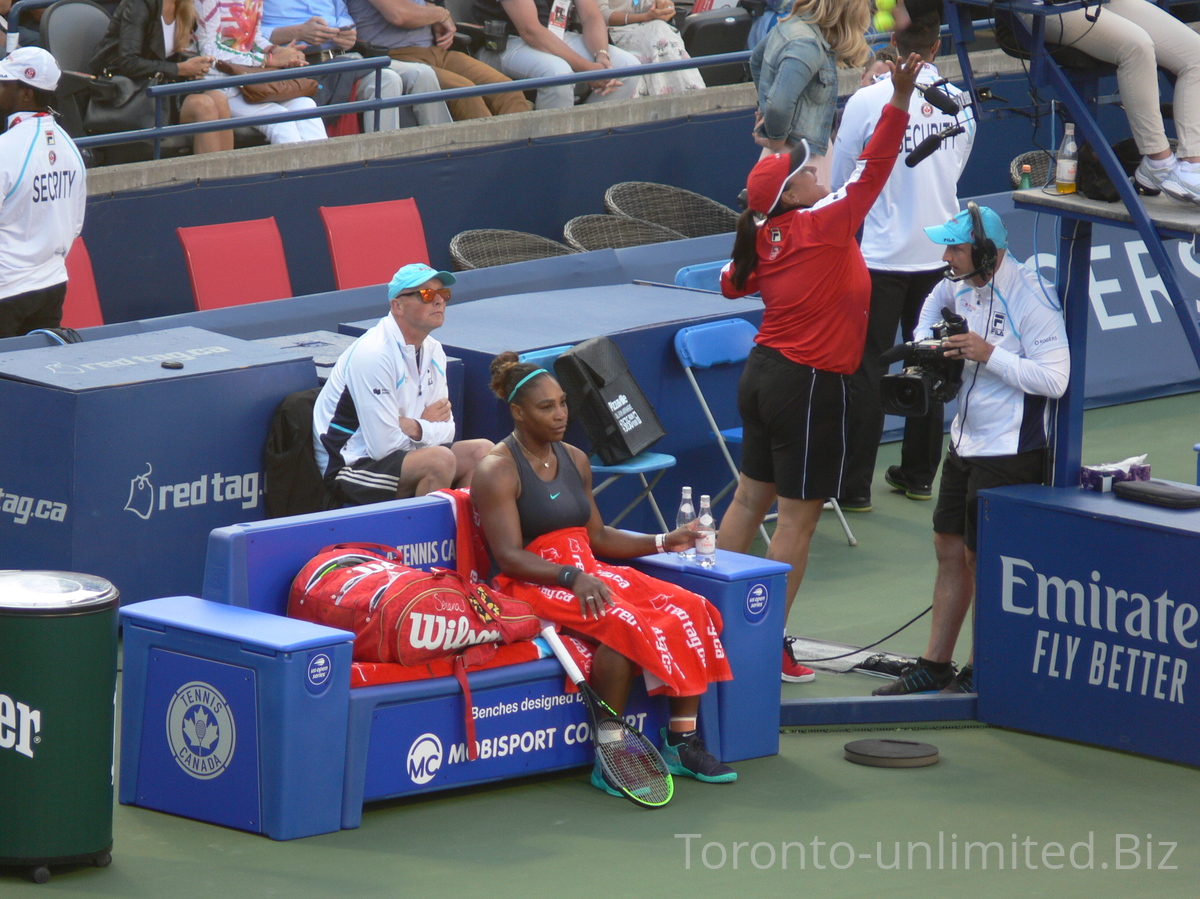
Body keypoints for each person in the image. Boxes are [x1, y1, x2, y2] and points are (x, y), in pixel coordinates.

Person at [716, 53, 922, 684]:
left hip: (763, 376)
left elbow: (730, 286)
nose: (814, 171)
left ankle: (715, 622)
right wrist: (900, 99)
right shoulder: (825, 225)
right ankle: (767, 642)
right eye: (804, 170)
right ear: (793, 193)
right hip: (806, 385)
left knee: (752, 499)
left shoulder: (763, 237)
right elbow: (877, 167)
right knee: (797, 521)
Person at [470, 352, 737, 793]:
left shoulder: (575, 457)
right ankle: (611, 753)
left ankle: (681, 742)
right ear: (517, 412)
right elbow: (510, 556)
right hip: (535, 581)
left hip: (588, 568)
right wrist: (571, 578)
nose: (559, 415)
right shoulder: (496, 470)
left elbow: (595, 535)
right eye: (546, 407)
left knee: (690, 607)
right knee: (621, 621)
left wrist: (662, 540)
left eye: (562, 403)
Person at [872, 204, 1070, 696]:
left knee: (987, 560)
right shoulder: (951, 284)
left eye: (956, 248)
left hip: (1013, 449)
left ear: (987, 252)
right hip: (964, 439)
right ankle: (935, 664)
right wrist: (932, 347)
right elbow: (921, 327)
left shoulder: (1032, 297)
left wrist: (989, 354)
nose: (946, 256)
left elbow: (1056, 380)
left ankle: (983, 668)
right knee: (948, 548)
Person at [830, 12, 975, 512]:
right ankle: (918, 476)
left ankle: (853, 488)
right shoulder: (960, 103)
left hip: (880, 259)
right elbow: (954, 167)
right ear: (936, 49)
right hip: (939, 255)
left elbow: (841, 179)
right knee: (929, 361)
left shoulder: (867, 101)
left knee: (867, 368)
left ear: (893, 44)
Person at [313, 263, 493, 505]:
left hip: (403, 454)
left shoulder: (434, 351)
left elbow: (448, 430)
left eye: (443, 294)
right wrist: (426, 426)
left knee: (483, 452)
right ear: (397, 305)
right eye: (427, 295)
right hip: (351, 464)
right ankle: (427, 541)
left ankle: (463, 537)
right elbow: (383, 448)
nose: (439, 301)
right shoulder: (374, 354)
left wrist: (413, 427)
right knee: (439, 460)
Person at [1030, 0, 1200, 204]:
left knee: (1195, 53)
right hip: (1045, 8)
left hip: (1103, 2)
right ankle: (1158, 163)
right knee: (1136, 46)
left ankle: (1192, 165)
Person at [0, 48, 87, 339]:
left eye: (4, 83)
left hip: (6, 293)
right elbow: (75, 227)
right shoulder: (69, 145)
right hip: (51, 288)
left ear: (26, 94)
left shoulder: (6, 149)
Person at [262, 0, 453, 129]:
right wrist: (297, 32)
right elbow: (244, 37)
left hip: (343, 58)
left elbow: (344, 18)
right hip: (298, 64)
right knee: (385, 80)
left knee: (423, 75)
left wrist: (347, 34)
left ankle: (447, 155)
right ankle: (385, 163)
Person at [91, 0, 235, 155]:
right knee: (203, 106)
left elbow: (168, 58)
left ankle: (229, 177)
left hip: (162, 86)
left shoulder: (184, 7)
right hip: (132, 92)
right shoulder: (138, 5)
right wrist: (179, 69)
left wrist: (192, 67)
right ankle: (209, 178)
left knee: (220, 99)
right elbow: (129, 63)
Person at [344, 0, 530, 120]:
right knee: (464, 92)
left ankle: (521, 160)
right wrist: (441, 14)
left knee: (506, 88)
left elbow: (423, 5)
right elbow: (399, 15)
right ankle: (488, 168)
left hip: (436, 50)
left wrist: (435, 12)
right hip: (395, 56)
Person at [749, 0, 872, 162]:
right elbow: (779, 105)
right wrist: (776, 137)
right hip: (799, 162)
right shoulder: (807, 44)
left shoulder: (793, 26)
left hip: (792, 157)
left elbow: (756, 60)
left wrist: (768, 118)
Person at [194, 0, 328, 143]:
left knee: (306, 105)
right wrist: (268, 59)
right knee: (280, 120)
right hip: (220, 83)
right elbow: (208, 48)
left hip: (254, 80)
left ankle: (324, 165)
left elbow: (254, 38)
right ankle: (295, 166)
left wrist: (279, 51)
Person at [472, 0, 641, 110]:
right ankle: (551, 148)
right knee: (559, 74)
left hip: (556, 35)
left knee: (627, 67)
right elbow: (530, 31)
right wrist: (588, 69)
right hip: (504, 43)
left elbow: (591, 16)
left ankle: (585, 136)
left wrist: (602, 56)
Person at [595, 0, 703, 96]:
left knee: (663, 35)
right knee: (659, 37)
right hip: (610, 35)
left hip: (651, 28)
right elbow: (600, 15)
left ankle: (692, 100)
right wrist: (646, 17)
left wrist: (664, 6)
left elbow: (652, 6)